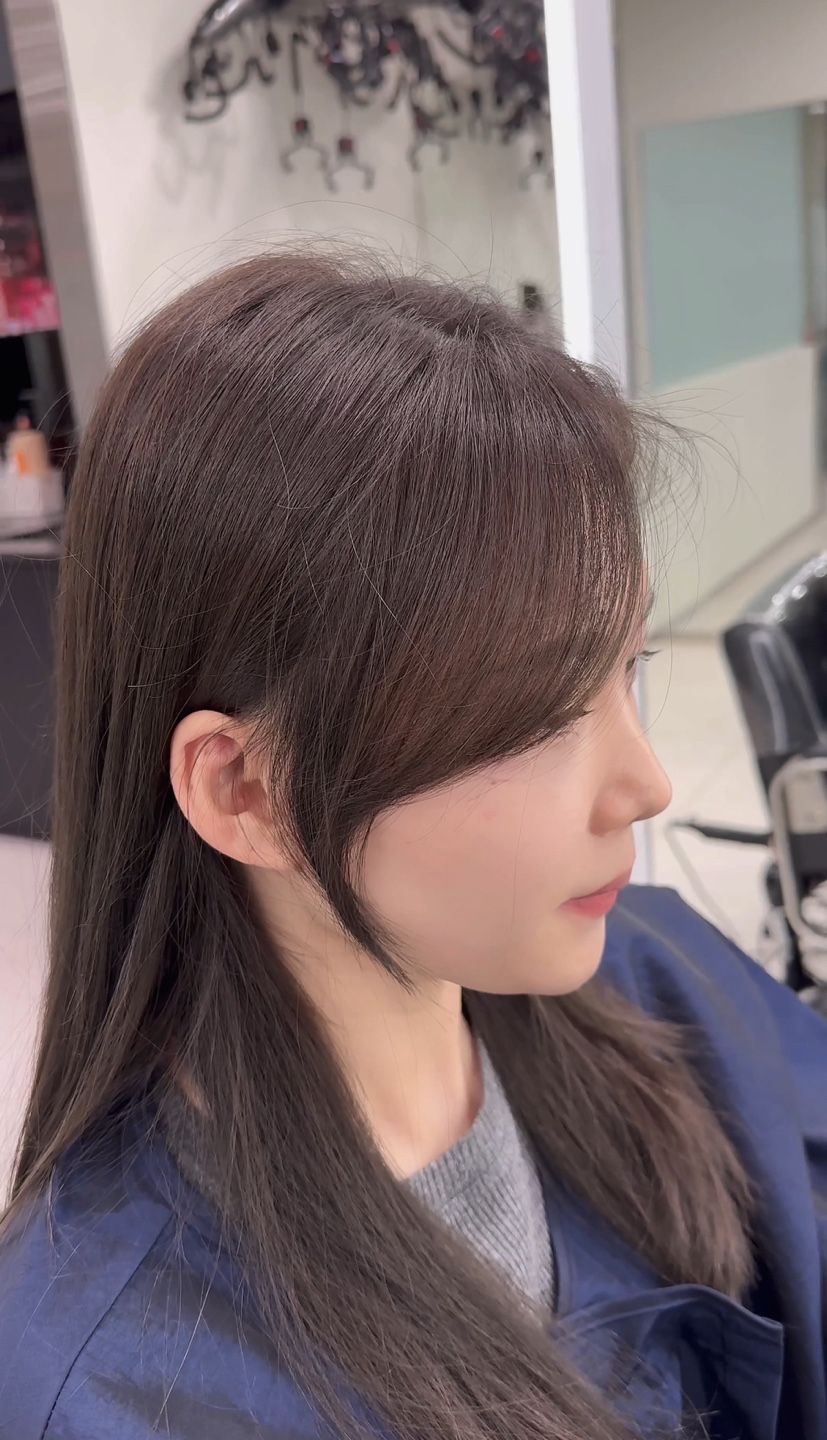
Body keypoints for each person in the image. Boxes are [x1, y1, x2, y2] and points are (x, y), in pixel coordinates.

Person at [0, 255, 824, 1440]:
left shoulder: (661, 976)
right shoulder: (113, 1389)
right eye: (541, 715)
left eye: (628, 667)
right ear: (247, 791)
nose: (645, 784)